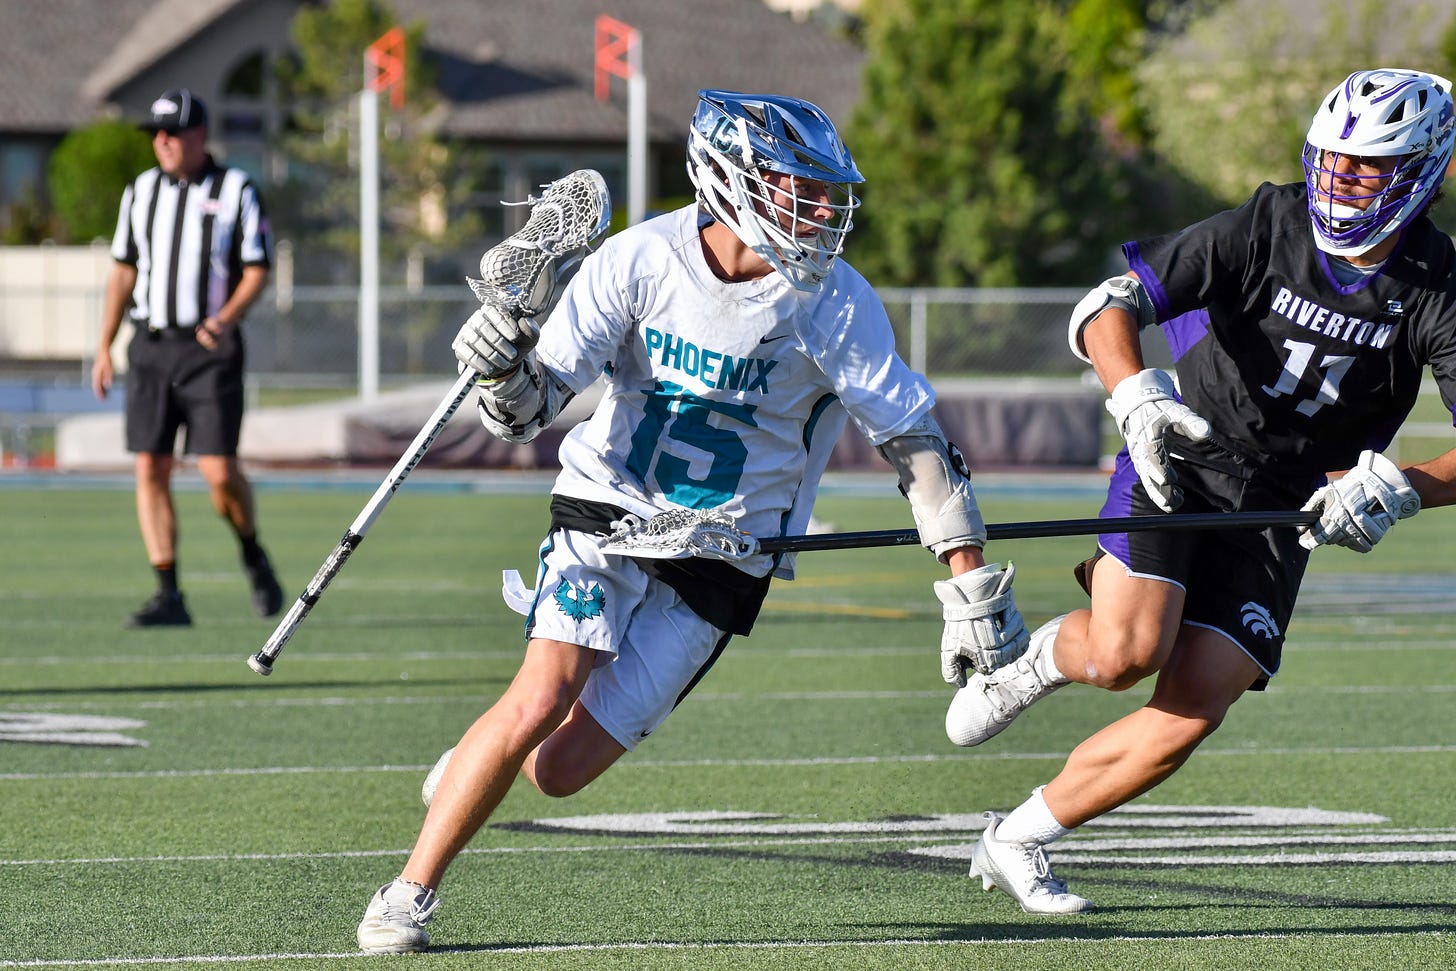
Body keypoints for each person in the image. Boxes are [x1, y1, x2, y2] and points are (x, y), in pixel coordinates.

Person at [355, 89, 1029, 954]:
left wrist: (969, 582)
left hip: (725, 549)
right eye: (801, 188)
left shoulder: (835, 301)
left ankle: (477, 760)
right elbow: (527, 412)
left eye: (827, 193)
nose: (823, 211)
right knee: (542, 690)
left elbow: (916, 445)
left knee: (556, 769)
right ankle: (408, 891)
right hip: (612, 503)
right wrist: (499, 370)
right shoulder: (642, 259)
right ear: (732, 179)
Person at [943, 67, 1456, 915]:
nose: (1340, 179)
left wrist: (1400, 486)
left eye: (1366, 165)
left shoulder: (1440, 285)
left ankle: (1017, 838)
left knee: (1193, 707)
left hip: (1289, 506)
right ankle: (1044, 659)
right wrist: (1137, 397)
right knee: (1125, 654)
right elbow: (1109, 306)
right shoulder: (1268, 222)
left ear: (1423, 173)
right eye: (1332, 159)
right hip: (1180, 454)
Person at [92, 88, 283, 628]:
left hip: (209, 349)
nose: (162, 142)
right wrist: (104, 345)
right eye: (156, 133)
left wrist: (226, 318)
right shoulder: (140, 191)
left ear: (199, 135)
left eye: (172, 132)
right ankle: (168, 592)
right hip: (152, 345)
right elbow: (123, 270)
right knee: (150, 466)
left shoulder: (236, 189)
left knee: (218, 471)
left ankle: (251, 550)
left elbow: (257, 268)